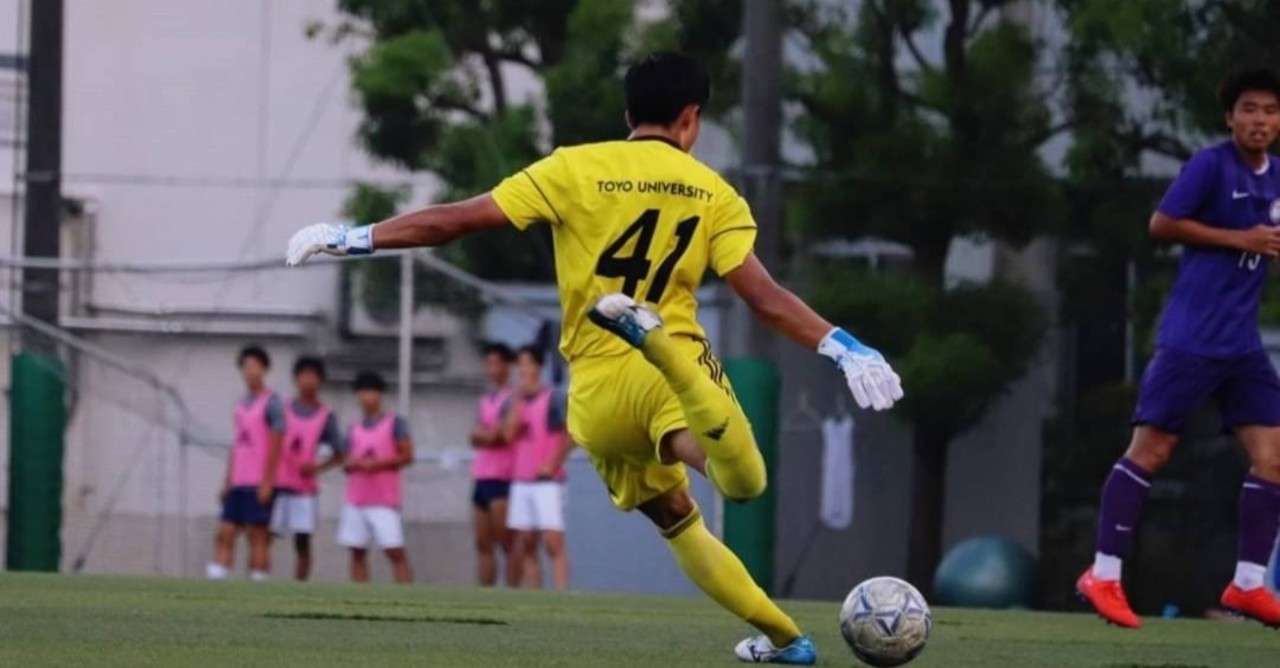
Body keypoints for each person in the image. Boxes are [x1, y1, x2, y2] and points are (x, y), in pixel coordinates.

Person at [286, 52, 903, 664]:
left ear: (628, 114)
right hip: (669, 380)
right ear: (691, 117)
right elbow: (763, 297)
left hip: (595, 395)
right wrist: (841, 346)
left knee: (675, 516)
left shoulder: (573, 168)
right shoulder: (715, 193)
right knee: (742, 482)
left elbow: (458, 220)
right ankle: (660, 345)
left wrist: (354, 237)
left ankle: (787, 641)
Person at [1076, 66, 1280, 629]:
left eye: (1270, 111)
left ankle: (1248, 585)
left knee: (1274, 457)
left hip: (1241, 346)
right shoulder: (1210, 165)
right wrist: (1239, 238)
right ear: (1230, 117)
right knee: (1152, 451)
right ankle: (1103, 574)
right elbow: (1162, 223)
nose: (1260, 119)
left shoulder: (1278, 177)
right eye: (1249, 109)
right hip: (1192, 339)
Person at [207, 345, 284, 582]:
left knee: (257, 534)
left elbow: (276, 444)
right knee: (226, 531)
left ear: (265, 369)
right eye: (246, 367)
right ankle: (218, 578)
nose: (250, 371)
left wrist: (268, 481)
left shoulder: (272, 403)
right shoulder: (240, 404)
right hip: (239, 480)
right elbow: (237, 444)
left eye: (255, 366)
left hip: (258, 481)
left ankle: (259, 579)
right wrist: (227, 481)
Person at [503, 345, 574, 591]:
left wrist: (553, 463)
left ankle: (562, 593)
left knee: (552, 540)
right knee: (526, 541)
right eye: (519, 365)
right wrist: (517, 402)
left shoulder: (554, 398)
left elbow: (572, 434)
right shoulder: (515, 400)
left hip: (547, 480)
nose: (523, 370)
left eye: (527, 364)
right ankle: (534, 594)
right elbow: (508, 435)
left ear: (538, 367)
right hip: (521, 479)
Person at [271, 356, 344, 581]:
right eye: (304, 375)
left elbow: (340, 453)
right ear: (296, 379)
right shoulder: (281, 409)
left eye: (313, 376)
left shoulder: (326, 416)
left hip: (304, 489)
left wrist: (317, 468)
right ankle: (259, 581)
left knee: (302, 540)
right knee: (264, 535)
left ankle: (299, 586)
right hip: (277, 483)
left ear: (320, 380)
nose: (308, 381)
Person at [339, 371, 415, 584]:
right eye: (362, 392)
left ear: (380, 394)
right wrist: (353, 464)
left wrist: (377, 464)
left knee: (394, 551)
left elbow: (407, 455)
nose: (366, 397)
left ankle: (406, 597)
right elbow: (345, 460)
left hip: (383, 499)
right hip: (357, 499)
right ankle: (359, 597)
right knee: (357, 551)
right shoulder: (353, 428)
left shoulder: (395, 423)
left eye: (371, 391)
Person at [471, 342, 520, 587]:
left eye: (497, 363)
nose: (491, 368)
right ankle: (485, 594)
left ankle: (513, 593)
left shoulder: (513, 398)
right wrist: (487, 434)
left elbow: (502, 435)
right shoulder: (485, 400)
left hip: (503, 477)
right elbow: (474, 436)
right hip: (482, 476)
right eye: (488, 363)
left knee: (507, 541)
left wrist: (487, 435)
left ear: (507, 366)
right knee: (482, 542)